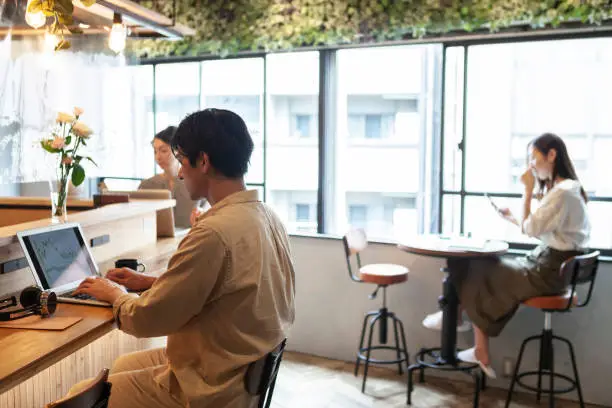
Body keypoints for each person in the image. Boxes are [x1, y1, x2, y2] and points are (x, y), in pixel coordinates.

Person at [67, 108, 296, 407]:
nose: (179, 172)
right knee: (123, 366)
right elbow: (229, 287)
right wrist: (152, 282)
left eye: (181, 160)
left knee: (81, 395)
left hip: (211, 388)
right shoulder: (267, 216)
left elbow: (147, 320)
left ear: (203, 161)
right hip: (240, 372)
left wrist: (114, 295)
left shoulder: (213, 232)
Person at [423, 133, 590, 378]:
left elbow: (532, 228)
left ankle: (456, 317)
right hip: (551, 268)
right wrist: (512, 218)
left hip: (548, 272)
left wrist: (528, 189)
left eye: (534, 158)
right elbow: (544, 232)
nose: (531, 166)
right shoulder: (570, 189)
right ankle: (470, 335)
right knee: (483, 268)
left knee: (477, 266)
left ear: (552, 155)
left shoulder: (562, 192)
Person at [139, 125, 205, 228]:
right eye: (155, 151)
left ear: (179, 151)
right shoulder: (147, 185)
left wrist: (202, 212)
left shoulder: (196, 182)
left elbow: (208, 209)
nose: (158, 157)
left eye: (163, 151)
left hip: (189, 237)